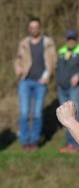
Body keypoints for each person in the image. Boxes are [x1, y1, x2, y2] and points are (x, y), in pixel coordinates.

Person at [14, 17, 57, 150]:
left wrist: (47, 76)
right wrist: (17, 68)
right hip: (25, 81)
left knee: (37, 113)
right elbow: (17, 59)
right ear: (29, 28)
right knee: (24, 113)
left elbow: (53, 61)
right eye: (31, 27)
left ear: (40, 27)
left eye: (36, 27)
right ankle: (25, 141)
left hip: (40, 82)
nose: (34, 29)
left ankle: (35, 141)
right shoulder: (24, 43)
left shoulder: (48, 42)